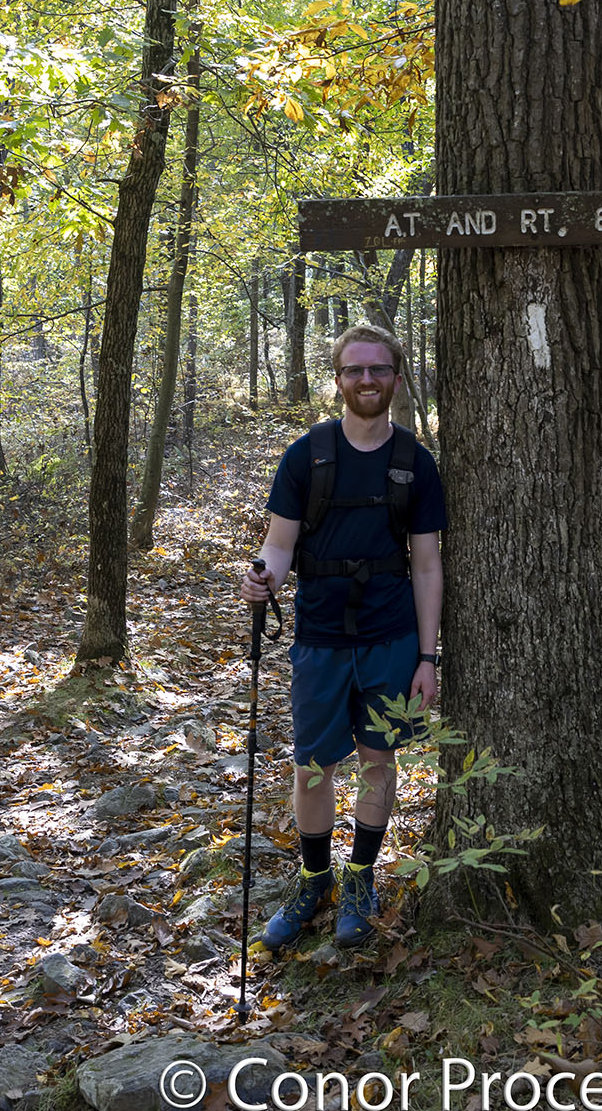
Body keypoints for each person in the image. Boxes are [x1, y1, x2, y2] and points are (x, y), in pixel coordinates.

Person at [238, 323, 444, 952]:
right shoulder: (307, 456)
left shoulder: (414, 462)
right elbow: (280, 544)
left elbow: (427, 565)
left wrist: (428, 656)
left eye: (378, 369)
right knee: (312, 767)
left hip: (391, 638)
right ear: (338, 380)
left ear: (397, 379)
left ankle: (360, 878)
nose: (366, 380)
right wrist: (264, 580)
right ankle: (314, 879)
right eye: (355, 370)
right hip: (320, 636)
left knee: (379, 760)